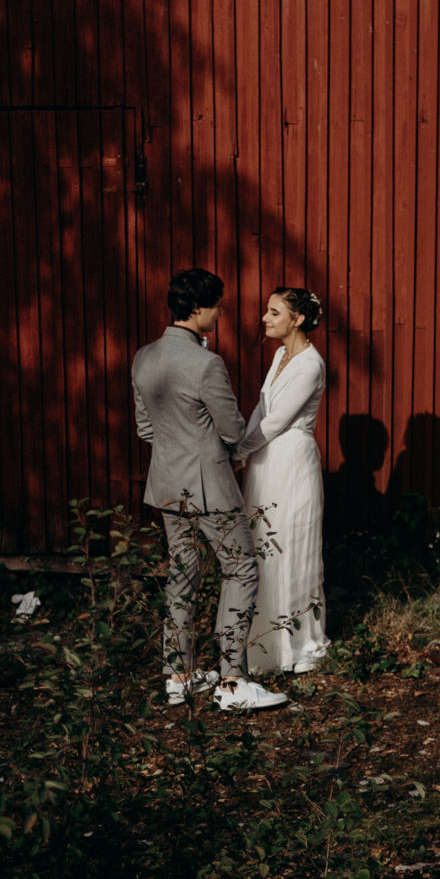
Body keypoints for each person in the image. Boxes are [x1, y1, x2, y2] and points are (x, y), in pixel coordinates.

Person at [131, 268, 289, 712]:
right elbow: (233, 429)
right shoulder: (205, 363)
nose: (221, 313)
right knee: (241, 571)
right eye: (218, 305)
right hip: (210, 487)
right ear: (198, 308)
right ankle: (233, 681)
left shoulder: (143, 357)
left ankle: (178, 676)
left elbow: (146, 428)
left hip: (165, 484)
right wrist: (227, 450)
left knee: (183, 574)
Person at [237, 286, 330, 674]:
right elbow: (262, 407)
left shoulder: (310, 365)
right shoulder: (278, 355)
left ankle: (298, 642)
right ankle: (262, 642)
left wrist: (237, 451)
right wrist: (246, 447)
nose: (265, 319)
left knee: (291, 546)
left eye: (274, 313)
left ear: (298, 319)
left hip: (291, 461)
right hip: (265, 460)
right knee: (262, 546)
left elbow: (278, 422)